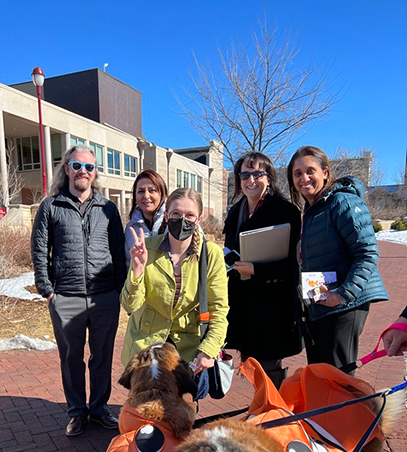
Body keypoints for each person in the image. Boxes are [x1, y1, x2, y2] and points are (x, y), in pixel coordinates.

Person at [31, 145, 126, 437]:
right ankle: (76, 412)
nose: (82, 171)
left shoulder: (108, 208)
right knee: (71, 358)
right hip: (67, 297)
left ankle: (98, 409)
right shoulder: (51, 206)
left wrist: (118, 291)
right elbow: (39, 251)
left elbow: (119, 251)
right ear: (67, 169)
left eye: (89, 167)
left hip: (103, 298)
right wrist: (48, 291)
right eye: (77, 166)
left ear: (95, 173)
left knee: (102, 356)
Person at [287, 145, 388, 370]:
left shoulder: (342, 202)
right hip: (319, 303)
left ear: (325, 173)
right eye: (297, 173)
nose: (304, 178)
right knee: (322, 377)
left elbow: (367, 253)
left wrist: (343, 294)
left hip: (343, 306)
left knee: (339, 380)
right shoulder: (311, 210)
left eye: (310, 170)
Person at [121, 188, 228, 375]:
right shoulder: (147, 248)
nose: (182, 220)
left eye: (190, 215)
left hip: (187, 353)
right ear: (167, 216)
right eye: (176, 213)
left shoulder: (210, 254)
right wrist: (137, 271)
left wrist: (208, 350)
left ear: (199, 219)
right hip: (146, 347)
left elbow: (218, 310)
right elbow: (130, 305)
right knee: (146, 403)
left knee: (182, 404)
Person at [224, 152, 302, 388]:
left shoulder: (285, 211)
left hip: (272, 304)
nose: (251, 180)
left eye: (258, 174)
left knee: (269, 367)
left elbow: (292, 264)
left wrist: (257, 269)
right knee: (250, 363)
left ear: (269, 177)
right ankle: (261, 411)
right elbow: (229, 248)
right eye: (245, 175)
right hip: (242, 301)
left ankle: (275, 416)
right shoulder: (235, 212)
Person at [124, 170, 167, 267]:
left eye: (152, 190)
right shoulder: (131, 228)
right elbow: (128, 264)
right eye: (141, 191)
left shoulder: (175, 221)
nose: (146, 196)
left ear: (162, 193)